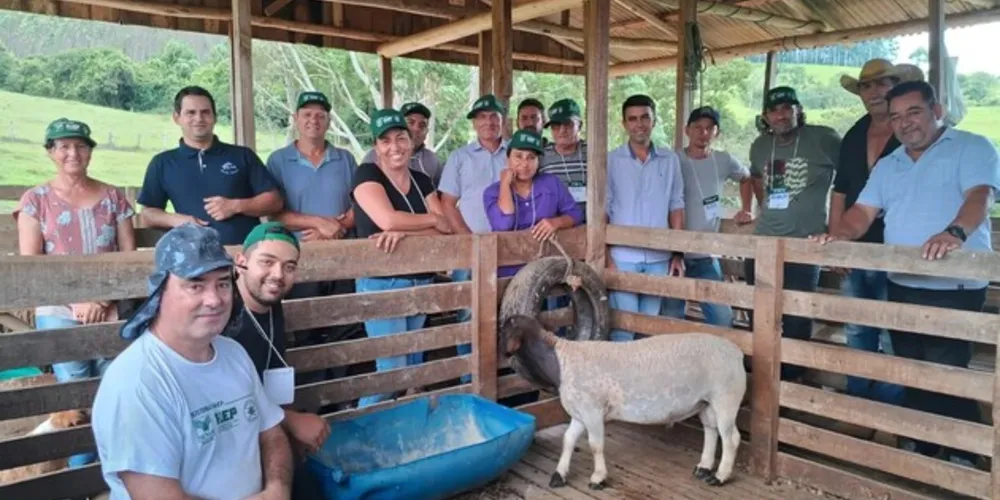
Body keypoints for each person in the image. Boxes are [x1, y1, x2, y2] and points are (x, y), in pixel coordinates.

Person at [811, 80, 1000, 467]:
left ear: (937, 111)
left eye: (914, 112)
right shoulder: (889, 164)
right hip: (902, 281)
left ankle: (963, 452)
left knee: (946, 370)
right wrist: (836, 235)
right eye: (896, 116)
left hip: (955, 284)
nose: (904, 123)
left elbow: (980, 196)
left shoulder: (972, 146)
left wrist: (955, 232)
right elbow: (862, 214)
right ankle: (925, 448)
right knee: (910, 368)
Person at [91, 223, 292, 499]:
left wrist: (278, 489)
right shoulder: (136, 383)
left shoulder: (233, 353)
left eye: (222, 283)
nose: (214, 300)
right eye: (195, 285)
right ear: (160, 292)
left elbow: (271, 433)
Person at [13, 118, 137, 467]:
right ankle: (79, 475)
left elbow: (127, 260)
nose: (73, 153)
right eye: (64, 146)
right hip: (59, 310)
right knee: (74, 400)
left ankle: (114, 473)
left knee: (113, 392)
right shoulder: (34, 201)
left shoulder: (114, 198)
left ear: (90, 152)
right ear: (51, 152)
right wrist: (79, 301)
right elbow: (32, 266)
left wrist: (101, 300)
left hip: (109, 307)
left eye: (81, 146)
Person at [831, 60, 923, 405]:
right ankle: (858, 401)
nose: (874, 92)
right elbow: (840, 191)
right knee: (857, 327)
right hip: (855, 245)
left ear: (896, 87)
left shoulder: (913, 137)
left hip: (897, 248)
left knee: (892, 327)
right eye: (866, 87)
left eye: (883, 84)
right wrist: (836, 240)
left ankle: (891, 408)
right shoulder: (854, 133)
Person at [352, 108, 452, 407]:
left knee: (409, 366)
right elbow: (386, 220)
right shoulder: (366, 173)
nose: (394, 146)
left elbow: (445, 229)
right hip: (382, 282)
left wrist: (407, 232)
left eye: (401, 138)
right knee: (391, 370)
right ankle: (359, 427)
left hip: (419, 280)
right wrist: (429, 221)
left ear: (412, 141)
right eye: (385, 141)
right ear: (376, 147)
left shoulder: (422, 179)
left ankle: (392, 433)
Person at [743, 86, 841, 380]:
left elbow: (849, 181)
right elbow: (757, 178)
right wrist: (764, 208)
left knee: (797, 316)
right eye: (774, 110)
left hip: (803, 244)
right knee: (758, 315)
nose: (781, 115)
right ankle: (761, 379)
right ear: (765, 116)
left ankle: (792, 382)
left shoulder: (824, 138)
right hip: (763, 242)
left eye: (788, 108)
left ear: (799, 110)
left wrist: (838, 230)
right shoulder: (760, 145)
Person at [232, 221, 331, 499]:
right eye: (267, 262)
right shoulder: (224, 316)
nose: (278, 275)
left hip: (268, 429)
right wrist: (291, 421)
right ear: (242, 261)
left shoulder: (270, 303)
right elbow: (226, 396)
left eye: (289, 266)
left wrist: (288, 424)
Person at [266, 90, 359, 353]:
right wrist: (319, 224)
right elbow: (273, 212)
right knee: (305, 329)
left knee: (345, 327)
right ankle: (312, 390)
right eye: (307, 114)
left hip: (342, 258)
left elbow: (359, 205)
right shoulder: (278, 160)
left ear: (329, 121)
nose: (313, 120)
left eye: (321, 115)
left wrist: (334, 231)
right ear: (296, 118)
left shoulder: (345, 159)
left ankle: (346, 391)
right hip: (298, 259)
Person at [137, 85, 283, 245]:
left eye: (205, 112)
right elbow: (147, 214)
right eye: (190, 113)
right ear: (177, 118)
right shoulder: (163, 163)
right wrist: (176, 220)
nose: (199, 119)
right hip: (192, 259)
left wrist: (236, 206)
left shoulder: (242, 155)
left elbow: (274, 201)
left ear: (215, 117)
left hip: (244, 254)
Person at [660, 106, 750, 328]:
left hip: (706, 252)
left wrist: (746, 208)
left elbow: (746, 178)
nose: (703, 133)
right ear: (687, 130)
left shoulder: (724, 159)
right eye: (698, 127)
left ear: (716, 132)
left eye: (710, 128)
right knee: (671, 314)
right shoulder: (672, 159)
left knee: (721, 316)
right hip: (673, 252)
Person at [606, 94, 685, 342]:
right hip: (622, 256)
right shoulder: (610, 160)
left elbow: (676, 205)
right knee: (623, 326)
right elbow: (603, 208)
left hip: (659, 257)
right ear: (624, 124)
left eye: (644, 118)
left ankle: (643, 380)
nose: (639, 124)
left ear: (654, 120)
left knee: (649, 327)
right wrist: (606, 255)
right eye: (632, 119)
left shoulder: (669, 159)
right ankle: (622, 381)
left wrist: (677, 253)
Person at [439, 94, 509, 364]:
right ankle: (469, 374)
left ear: (503, 121)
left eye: (494, 116)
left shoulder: (516, 154)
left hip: (509, 248)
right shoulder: (460, 157)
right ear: (474, 124)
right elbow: (447, 203)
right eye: (482, 117)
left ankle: (502, 375)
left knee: (507, 309)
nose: (489, 122)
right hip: (469, 246)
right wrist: (468, 240)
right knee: (468, 311)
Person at [484, 128, 583, 278]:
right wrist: (505, 185)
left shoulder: (551, 183)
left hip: (545, 268)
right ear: (507, 159)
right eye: (518, 156)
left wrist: (556, 222)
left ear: (538, 162)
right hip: (505, 271)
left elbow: (576, 213)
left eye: (531, 157)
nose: (524, 164)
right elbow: (504, 224)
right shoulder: (492, 192)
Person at [362, 102, 444, 187]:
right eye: (410, 122)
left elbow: (439, 193)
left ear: (427, 131)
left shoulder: (432, 160)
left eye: (422, 125)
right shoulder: (371, 159)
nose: (416, 129)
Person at [539, 98, 588, 220]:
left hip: (590, 227)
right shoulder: (541, 157)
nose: (562, 130)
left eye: (568, 124)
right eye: (555, 126)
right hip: (554, 228)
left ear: (579, 125)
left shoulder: (593, 153)